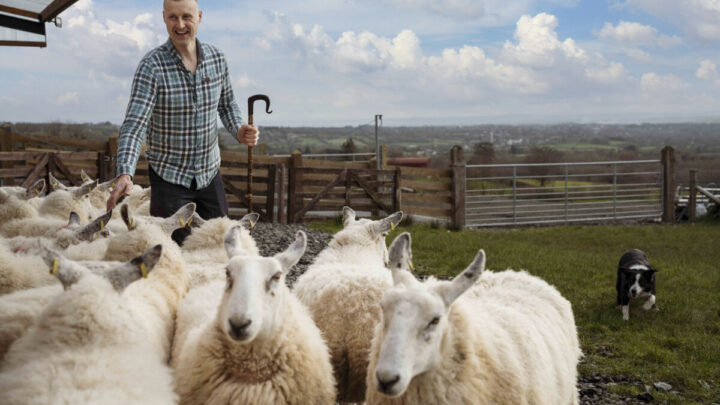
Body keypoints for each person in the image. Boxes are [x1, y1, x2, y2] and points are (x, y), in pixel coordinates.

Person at [106, 0, 258, 245]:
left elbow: (227, 105)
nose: (180, 25)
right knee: (172, 250)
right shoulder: (151, 66)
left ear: (199, 17)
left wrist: (239, 129)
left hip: (209, 174)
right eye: (173, 17)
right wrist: (125, 172)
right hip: (169, 179)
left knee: (220, 244)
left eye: (186, 17)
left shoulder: (217, 59)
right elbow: (135, 125)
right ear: (164, 18)